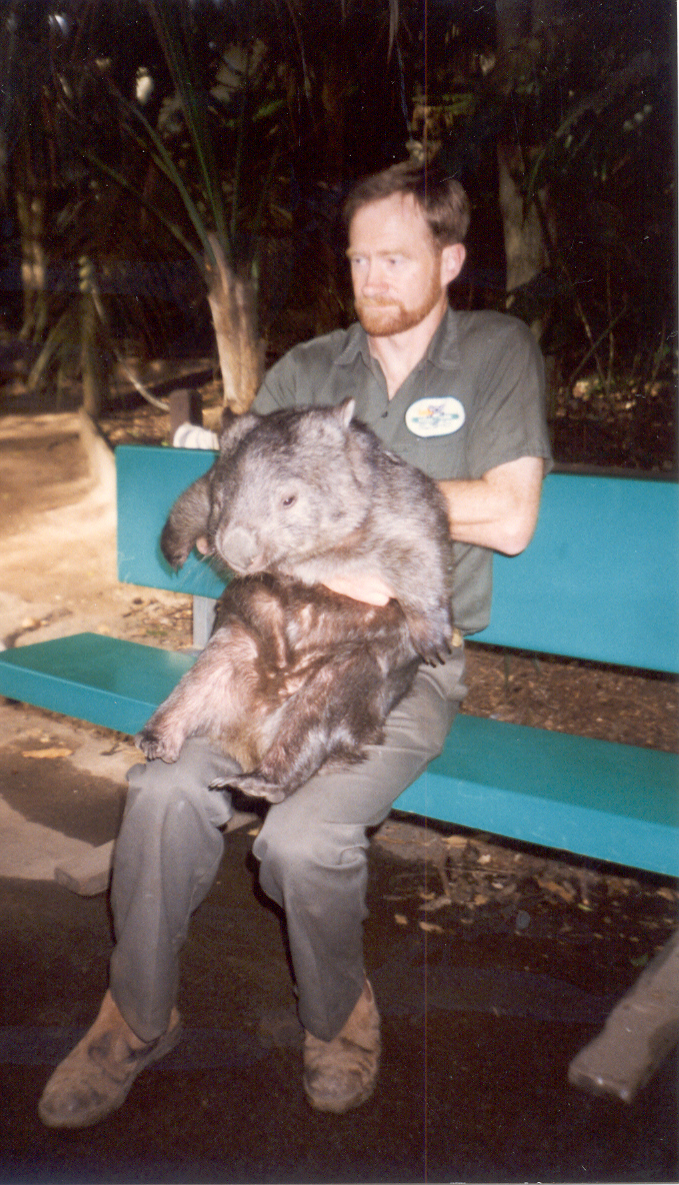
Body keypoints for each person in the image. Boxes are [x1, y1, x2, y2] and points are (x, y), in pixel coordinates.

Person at [38, 161, 552, 1127]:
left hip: (406, 658)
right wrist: (306, 543)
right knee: (161, 791)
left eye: (396, 258)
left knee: (304, 841)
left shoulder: (496, 353)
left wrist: (358, 525)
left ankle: (338, 1014)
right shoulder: (308, 371)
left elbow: (512, 514)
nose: (372, 280)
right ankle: (135, 1014)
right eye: (360, 259)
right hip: (275, 644)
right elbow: (241, 525)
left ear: (451, 259)